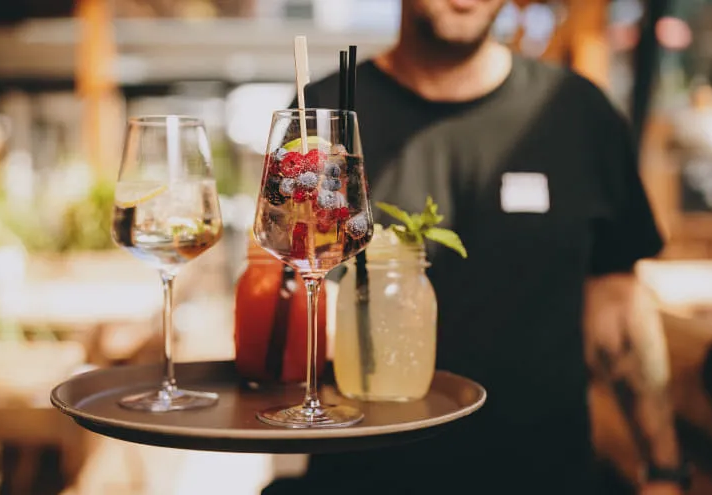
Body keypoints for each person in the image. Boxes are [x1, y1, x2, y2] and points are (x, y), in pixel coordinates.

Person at [264, 1, 687, 494]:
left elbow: (617, 308)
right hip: (366, 476)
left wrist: (663, 469)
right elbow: (289, 299)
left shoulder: (575, 111)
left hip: (545, 478)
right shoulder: (324, 115)